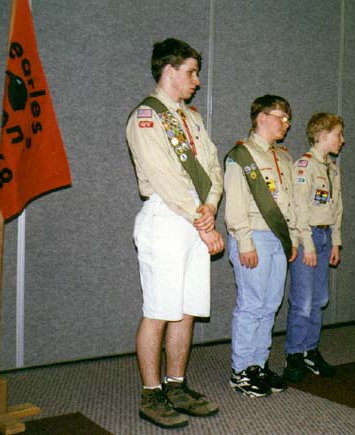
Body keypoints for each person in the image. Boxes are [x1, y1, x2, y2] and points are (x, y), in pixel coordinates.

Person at [126, 38, 224, 429]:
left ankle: (177, 385)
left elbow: (213, 166)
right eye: (191, 72)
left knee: (186, 310)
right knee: (159, 310)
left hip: (197, 218)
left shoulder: (192, 118)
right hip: (167, 218)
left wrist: (211, 206)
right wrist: (203, 220)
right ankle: (151, 394)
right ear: (169, 71)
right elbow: (165, 179)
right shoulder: (146, 117)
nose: (197, 81)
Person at [224, 95, 299, 397]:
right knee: (252, 305)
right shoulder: (241, 156)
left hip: (278, 240)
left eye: (288, 119)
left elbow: (290, 203)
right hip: (253, 236)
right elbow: (235, 205)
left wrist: (292, 237)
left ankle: (258, 364)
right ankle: (241, 370)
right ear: (262, 117)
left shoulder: (284, 157)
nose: (286, 123)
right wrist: (244, 242)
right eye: (282, 117)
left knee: (270, 306)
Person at [283, 113, 344, 382]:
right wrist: (307, 244)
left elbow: (337, 208)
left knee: (319, 299)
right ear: (323, 135)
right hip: (306, 238)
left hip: (325, 237)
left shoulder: (332, 168)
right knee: (303, 301)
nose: (342, 139)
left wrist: (336, 241)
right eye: (339, 134)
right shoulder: (304, 166)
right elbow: (299, 209)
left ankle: (310, 350)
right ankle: (294, 354)